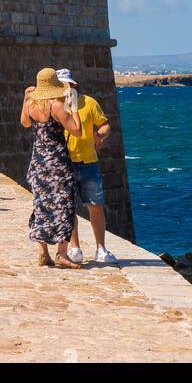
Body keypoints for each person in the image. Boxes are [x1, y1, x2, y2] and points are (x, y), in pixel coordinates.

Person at [20, 68, 83, 269]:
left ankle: (43, 253)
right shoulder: (56, 106)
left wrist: (25, 99)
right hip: (56, 162)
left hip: (38, 161)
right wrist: (73, 107)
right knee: (64, 205)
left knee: (42, 205)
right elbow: (77, 131)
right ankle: (61, 254)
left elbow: (24, 123)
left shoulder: (31, 103)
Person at [56, 69, 118, 265]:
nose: (66, 88)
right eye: (62, 84)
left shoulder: (89, 103)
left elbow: (105, 125)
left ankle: (101, 248)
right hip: (65, 163)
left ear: (74, 85)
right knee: (69, 208)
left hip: (88, 161)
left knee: (96, 206)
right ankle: (75, 248)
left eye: (68, 84)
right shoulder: (56, 106)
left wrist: (100, 135)